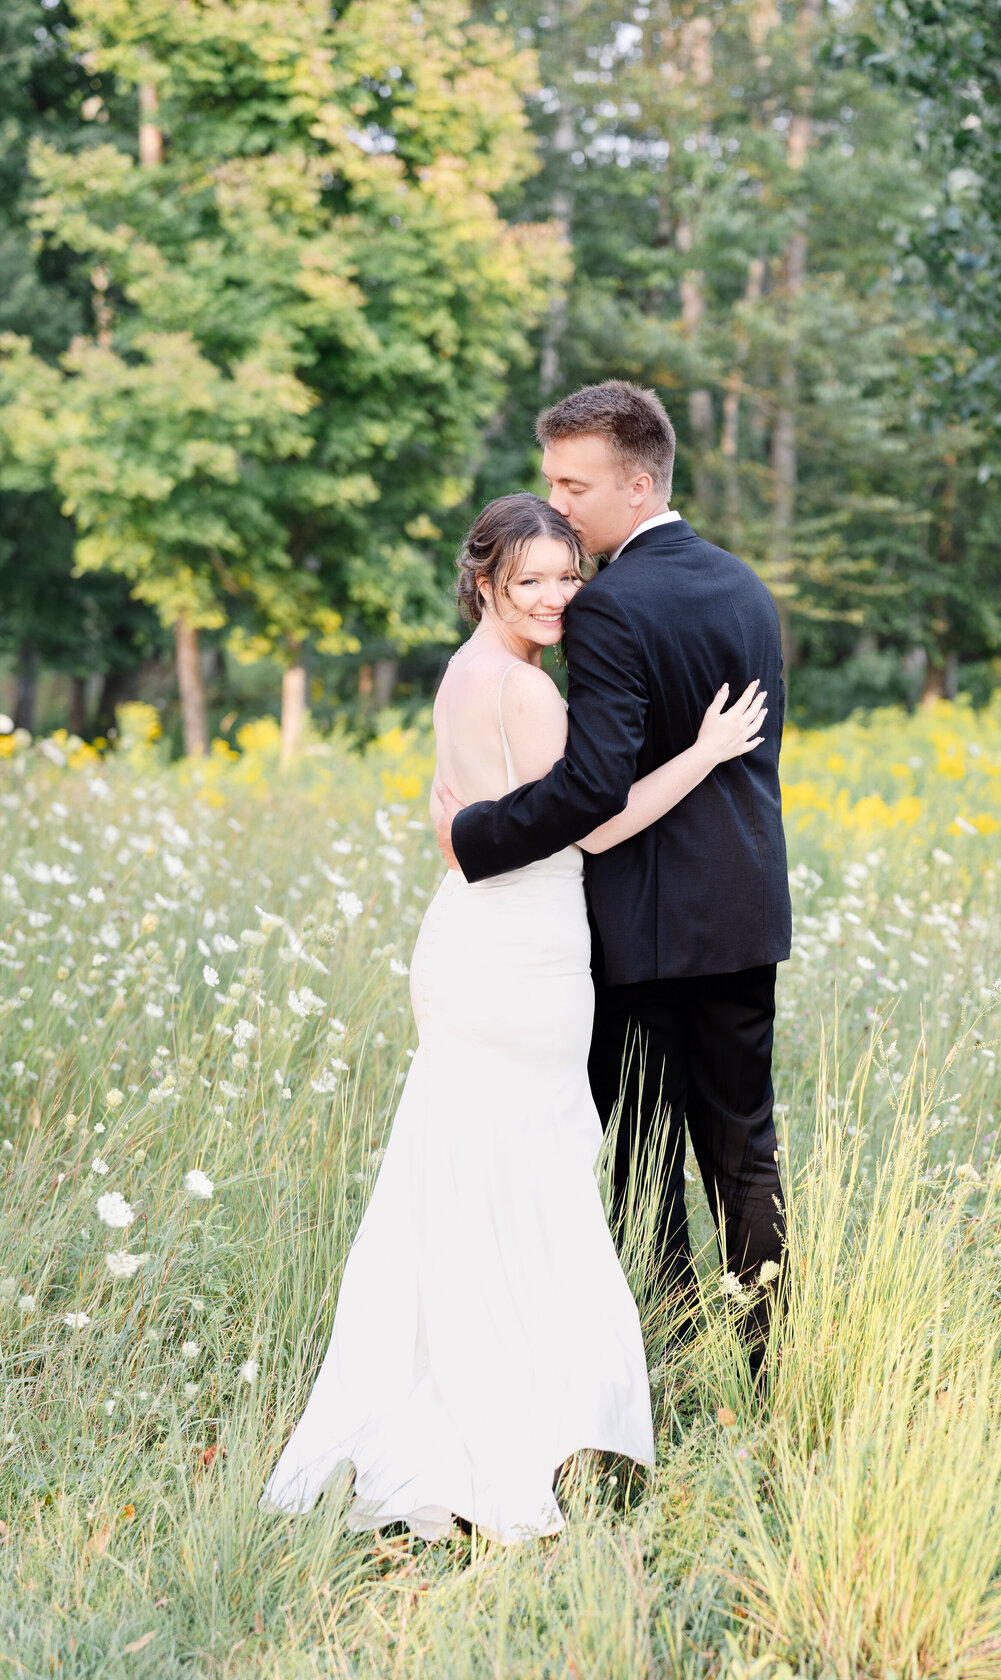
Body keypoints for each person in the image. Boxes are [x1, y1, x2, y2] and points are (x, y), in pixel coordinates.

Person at [260, 492, 768, 1544]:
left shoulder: (464, 675)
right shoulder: (531, 697)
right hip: (525, 957)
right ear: (484, 580)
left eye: (566, 576)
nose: (554, 597)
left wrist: (470, 826)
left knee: (463, 1173)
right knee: (527, 1179)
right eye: (529, 579)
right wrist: (709, 753)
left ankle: (469, 1388)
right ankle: (512, 1418)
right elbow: (599, 818)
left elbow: (459, 807)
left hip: (469, 937)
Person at [434, 381, 792, 1351]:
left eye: (573, 484)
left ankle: (656, 1377)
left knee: (643, 1165)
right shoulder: (744, 587)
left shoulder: (606, 608)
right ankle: (769, 1377)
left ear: (637, 486)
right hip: (745, 917)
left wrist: (473, 835)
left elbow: (590, 791)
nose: (558, 504)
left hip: (636, 934)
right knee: (744, 1156)